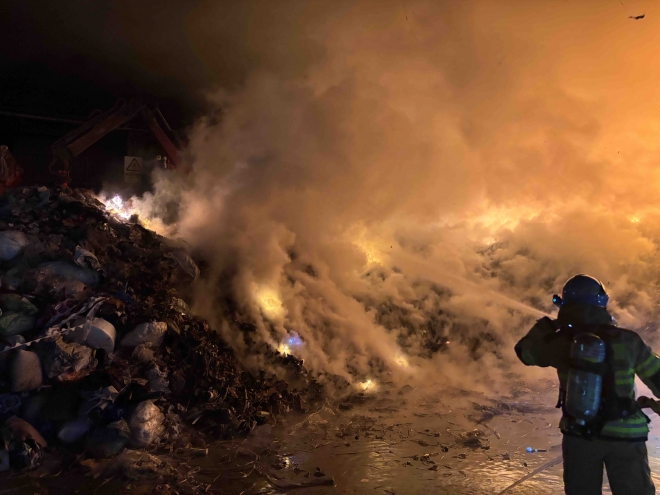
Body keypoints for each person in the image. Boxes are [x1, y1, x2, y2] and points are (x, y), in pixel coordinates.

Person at [515, 274, 659, 495]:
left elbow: (524, 351)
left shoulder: (562, 342)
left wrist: (547, 326)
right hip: (627, 438)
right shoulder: (628, 341)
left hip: (580, 435)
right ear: (602, 303)